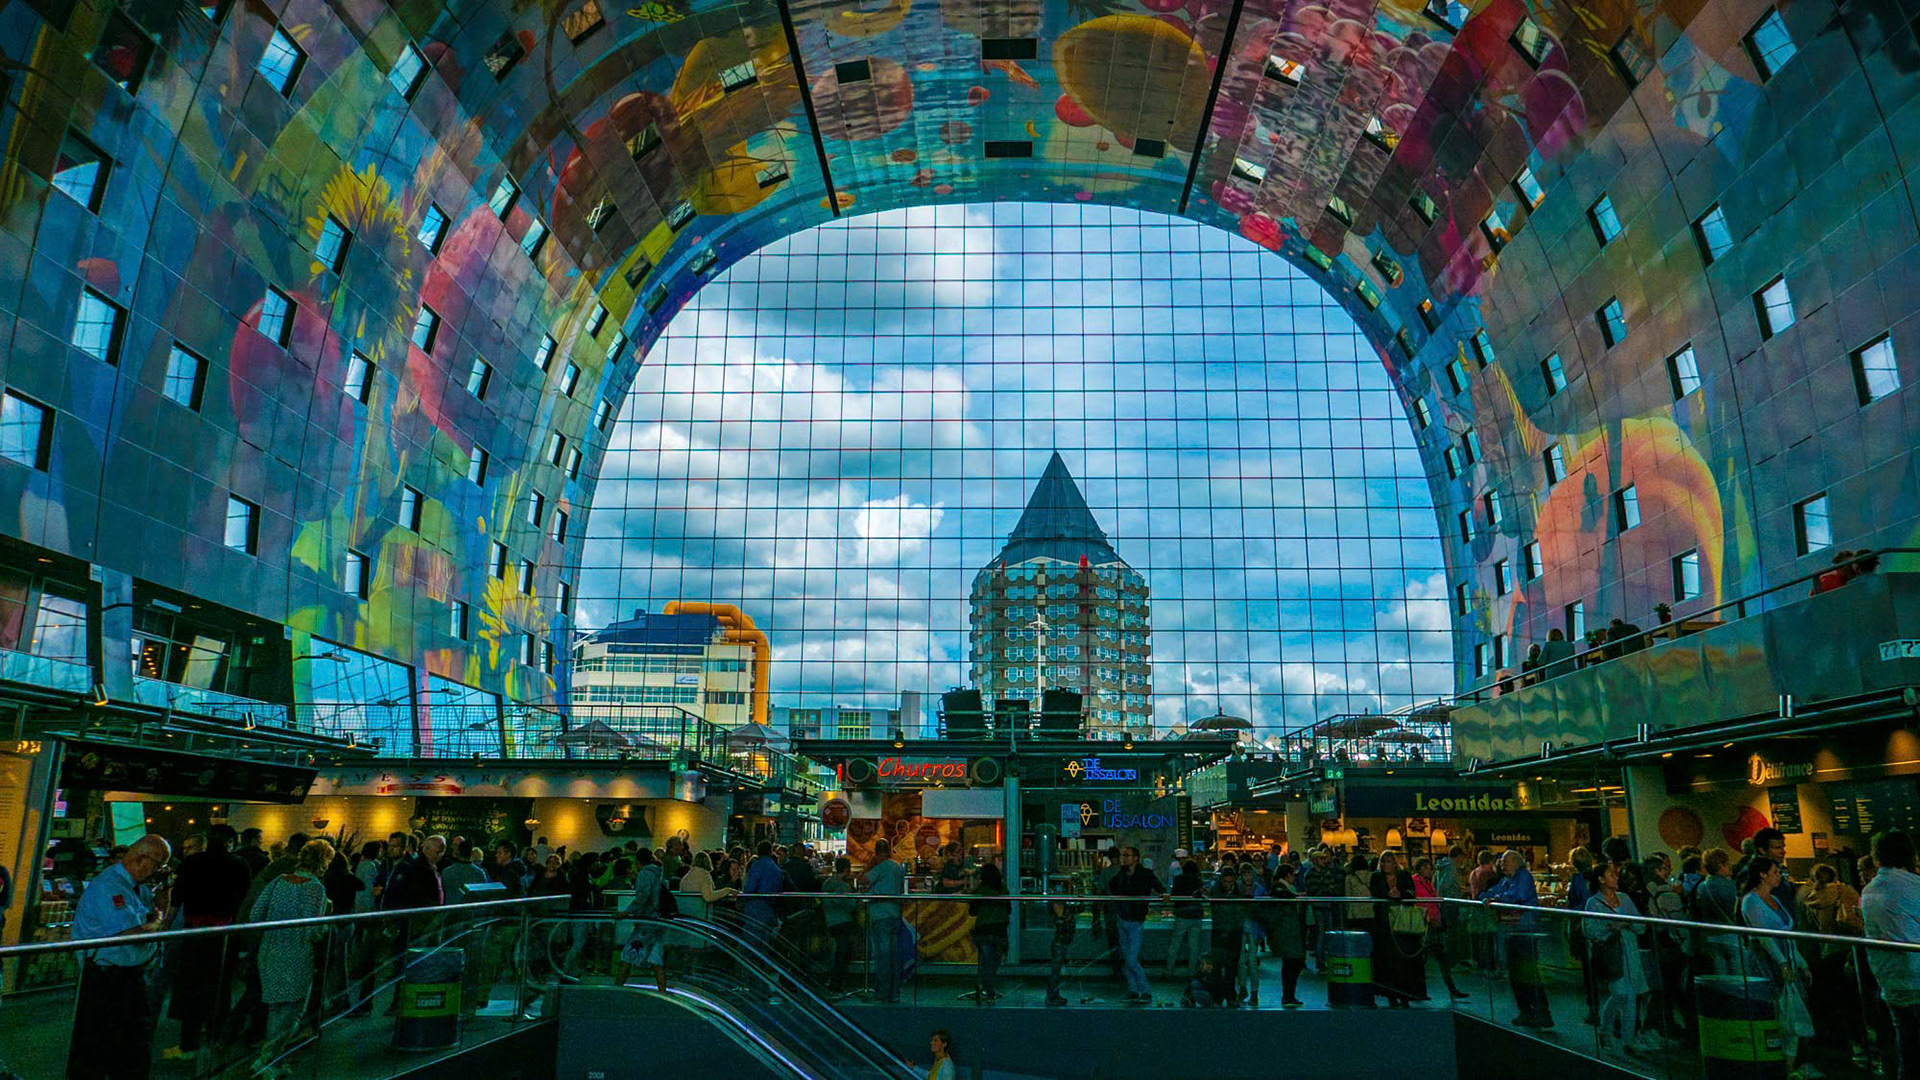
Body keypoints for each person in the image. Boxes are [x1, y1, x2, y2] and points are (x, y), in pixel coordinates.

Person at [68, 835, 172, 1080]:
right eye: (158, 865)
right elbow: (133, 933)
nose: (158, 872)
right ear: (140, 859)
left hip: (128, 976)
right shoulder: (110, 887)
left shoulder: (137, 888)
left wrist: (164, 895)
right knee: (101, 1047)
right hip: (108, 979)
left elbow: (152, 916)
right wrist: (156, 921)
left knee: (131, 1049)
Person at [162, 823, 250, 1062]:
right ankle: (215, 1037)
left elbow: (176, 900)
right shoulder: (239, 865)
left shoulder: (191, 863)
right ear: (231, 842)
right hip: (224, 934)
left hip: (193, 932)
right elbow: (244, 901)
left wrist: (166, 926)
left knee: (191, 987)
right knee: (220, 987)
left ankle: (188, 1042)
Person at [252, 839, 334, 1067]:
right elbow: (313, 931)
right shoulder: (315, 888)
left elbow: (255, 914)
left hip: (269, 951)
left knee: (274, 1008)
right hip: (296, 955)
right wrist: (328, 920)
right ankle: (270, 1060)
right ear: (324, 862)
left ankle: (267, 1059)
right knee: (292, 1012)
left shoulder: (278, 881)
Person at [1741, 857, 1814, 1067]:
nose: (1779, 875)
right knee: (1780, 1013)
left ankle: (1789, 1065)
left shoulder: (1774, 900)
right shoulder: (1751, 901)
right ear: (1762, 875)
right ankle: (1781, 1064)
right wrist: (1783, 963)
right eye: (1774, 872)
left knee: (1790, 1013)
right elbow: (1765, 937)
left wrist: (1800, 963)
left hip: (1785, 959)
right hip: (1770, 963)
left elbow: (1786, 934)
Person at [1582, 859, 1655, 1057]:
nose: (1616, 878)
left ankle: (1624, 1038)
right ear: (1601, 880)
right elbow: (1589, 930)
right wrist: (1611, 928)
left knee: (1628, 996)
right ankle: (1613, 1033)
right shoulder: (1593, 903)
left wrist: (1626, 925)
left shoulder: (1625, 898)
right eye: (1612, 875)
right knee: (1622, 994)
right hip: (1612, 956)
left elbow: (1640, 925)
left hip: (1629, 953)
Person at [1864, 830, 1920, 1079]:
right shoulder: (1913, 886)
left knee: (1908, 1049)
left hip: (1891, 979)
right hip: (1917, 977)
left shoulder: (1870, 890)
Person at [1369, 851, 1427, 1007]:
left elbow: (1411, 893)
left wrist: (1400, 894)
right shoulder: (1376, 877)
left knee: (1404, 961)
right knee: (1387, 961)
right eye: (1383, 861)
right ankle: (1391, 996)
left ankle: (1406, 995)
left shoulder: (1404, 876)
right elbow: (1375, 894)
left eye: (1388, 861)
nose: (1385, 865)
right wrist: (1388, 895)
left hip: (1402, 923)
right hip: (1384, 923)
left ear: (1394, 863)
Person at [1108, 846, 1161, 1004]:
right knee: (1128, 958)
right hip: (1124, 918)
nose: (1124, 858)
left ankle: (1144, 990)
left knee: (1130, 959)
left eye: (1127, 855)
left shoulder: (1143, 874)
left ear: (1136, 858)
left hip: (1135, 920)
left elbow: (1159, 887)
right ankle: (1134, 989)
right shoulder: (1123, 874)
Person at [1412, 857, 1467, 1001]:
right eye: (1428, 868)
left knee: (1437, 958)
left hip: (1432, 925)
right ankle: (1446, 989)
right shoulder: (1418, 883)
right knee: (1432, 958)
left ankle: (1448, 988)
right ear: (1422, 868)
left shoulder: (1428, 883)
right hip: (1426, 925)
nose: (1431, 870)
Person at [614, 848, 669, 991]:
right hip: (658, 921)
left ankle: (616, 988)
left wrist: (627, 912)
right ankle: (662, 991)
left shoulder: (644, 874)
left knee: (628, 955)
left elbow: (642, 896)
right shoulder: (659, 873)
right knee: (657, 958)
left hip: (646, 921)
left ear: (638, 862)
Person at [862, 839, 906, 1003]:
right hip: (895, 913)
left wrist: (869, 865)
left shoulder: (881, 867)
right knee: (894, 956)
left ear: (877, 852)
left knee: (882, 957)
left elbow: (863, 880)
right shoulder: (897, 866)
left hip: (881, 915)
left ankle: (882, 992)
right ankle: (895, 992)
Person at [1268, 863, 1309, 1008]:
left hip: (1287, 929)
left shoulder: (1282, 888)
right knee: (1291, 963)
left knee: (1290, 963)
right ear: (1287, 875)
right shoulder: (1281, 889)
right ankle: (1288, 995)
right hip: (1287, 930)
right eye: (1292, 874)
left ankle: (1289, 995)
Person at [969, 862, 1010, 1003]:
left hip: (983, 928)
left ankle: (982, 986)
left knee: (984, 960)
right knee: (994, 961)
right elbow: (1008, 910)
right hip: (999, 928)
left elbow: (972, 912)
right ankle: (989, 988)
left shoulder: (979, 891)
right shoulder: (1003, 890)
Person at [822, 857, 859, 993]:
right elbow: (850, 906)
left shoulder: (826, 883)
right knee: (843, 954)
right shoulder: (844, 886)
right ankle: (836, 983)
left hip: (830, 921)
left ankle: (831, 980)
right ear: (847, 869)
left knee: (836, 952)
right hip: (844, 921)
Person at [1166, 859, 1206, 976]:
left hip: (1182, 914)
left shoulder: (1178, 879)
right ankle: (1192, 972)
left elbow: (1173, 895)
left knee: (1175, 944)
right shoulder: (1198, 881)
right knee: (1194, 946)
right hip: (1196, 915)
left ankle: (1169, 970)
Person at [742, 841, 784, 945]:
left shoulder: (757, 865)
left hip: (756, 906)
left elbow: (750, 887)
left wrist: (743, 898)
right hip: (770, 907)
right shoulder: (775, 868)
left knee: (750, 941)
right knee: (764, 941)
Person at [1044, 890, 1080, 1007]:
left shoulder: (1064, 913)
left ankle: (1054, 994)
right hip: (1060, 944)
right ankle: (1051, 995)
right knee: (1056, 971)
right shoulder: (1059, 917)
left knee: (1056, 971)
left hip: (1061, 944)